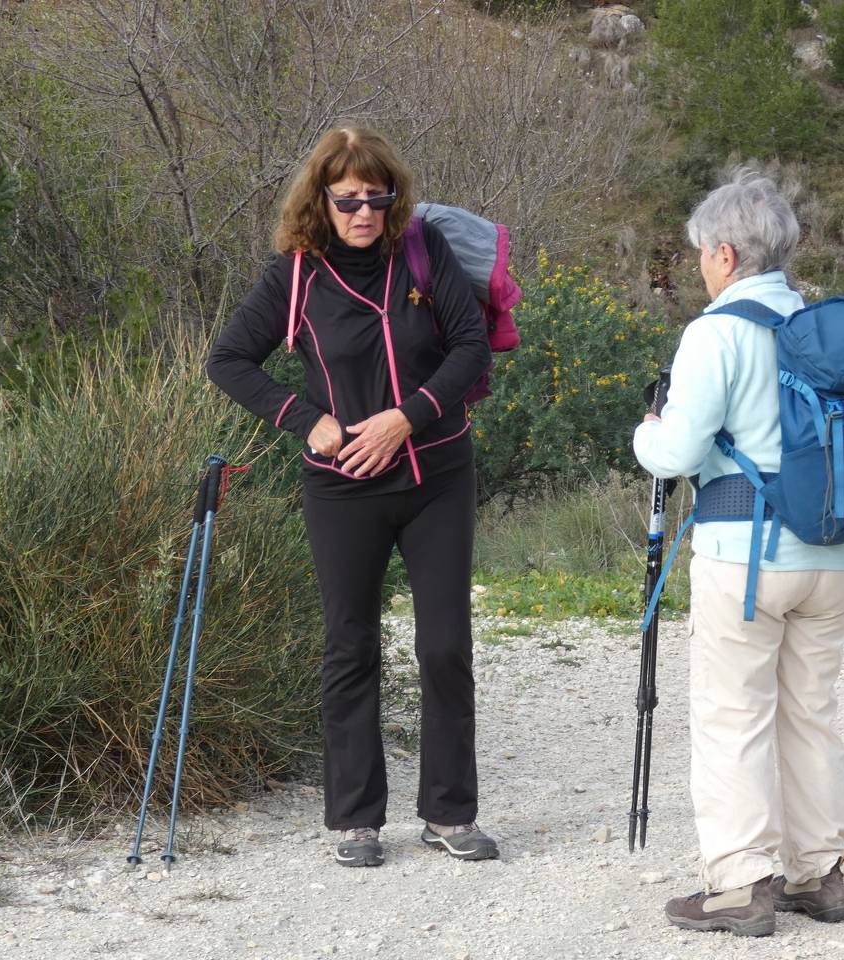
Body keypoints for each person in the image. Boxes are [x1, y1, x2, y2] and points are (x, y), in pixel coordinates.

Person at [207, 126, 497, 868]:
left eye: (377, 198)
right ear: (321, 202)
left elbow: (469, 347)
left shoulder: (424, 254)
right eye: (348, 202)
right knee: (350, 645)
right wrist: (308, 422)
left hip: (437, 472)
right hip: (343, 490)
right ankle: (357, 821)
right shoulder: (295, 277)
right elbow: (230, 359)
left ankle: (449, 814)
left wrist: (409, 416)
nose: (364, 214)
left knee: (443, 646)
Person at [633, 166, 844, 937]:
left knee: (734, 717)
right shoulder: (820, 325)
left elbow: (677, 450)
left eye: (702, 251)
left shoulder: (717, 332)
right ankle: (817, 875)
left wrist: (644, 433)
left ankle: (739, 885)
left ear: (726, 254)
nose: (700, 264)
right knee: (811, 714)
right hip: (833, 557)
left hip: (746, 555)